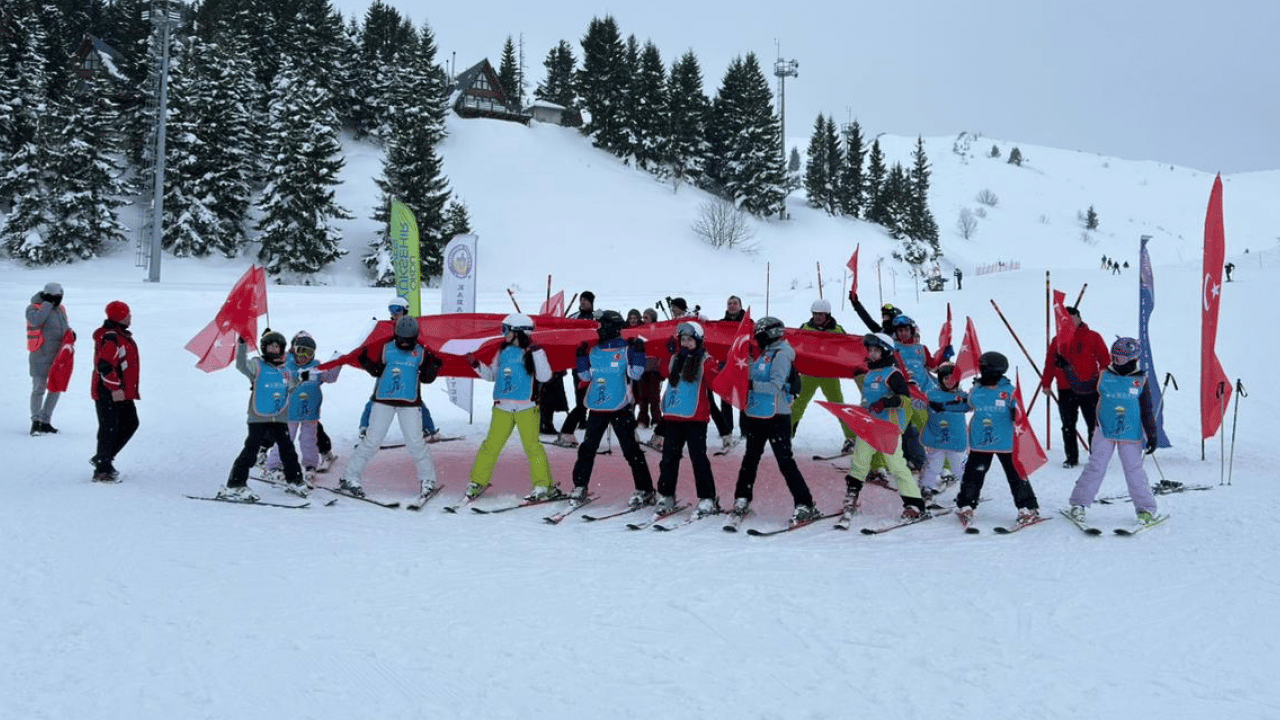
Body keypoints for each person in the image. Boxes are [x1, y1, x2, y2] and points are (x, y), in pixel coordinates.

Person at [339, 316, 443, 503]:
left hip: (410, 403)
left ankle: (428, 480)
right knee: (371, 441)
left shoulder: (420, 352)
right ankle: (349, 477)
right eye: (400, 338)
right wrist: (364, 361)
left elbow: (426, 379)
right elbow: (378, 371)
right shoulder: (387, 347)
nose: (403, 342)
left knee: (415, 443)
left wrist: (434, 366)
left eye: (407, 339)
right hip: (383, 401)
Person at [731, 317, 820, 525]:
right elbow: (752, 375)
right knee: (750, 459)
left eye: (759, 335)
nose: (757, 339)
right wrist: (745, 364)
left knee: (785, 461)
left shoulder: (781, 354)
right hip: (757, 415)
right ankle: (742, 497)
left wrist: (750, 384)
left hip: (777, 415)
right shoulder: (765, 354)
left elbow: (774, 386)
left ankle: (804, 503)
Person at [464, 313, 561, 500]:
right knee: (490, 446)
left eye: (506, 330)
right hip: (502, 408)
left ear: (518, 332)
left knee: (533, 448)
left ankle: (543, 485)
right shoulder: (502, 351)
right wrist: (476, 365)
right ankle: (477, 481)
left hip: (527, 407)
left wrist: (538, 353)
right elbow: (492, 375)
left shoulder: (533, 351)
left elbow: (545, 377)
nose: (503, 334)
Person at [1066, 337, 1161, 527]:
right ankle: (1079, 504)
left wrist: (1152, 434)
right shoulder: (1104, 375)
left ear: (1133, 359)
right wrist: (1068, 370)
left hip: (1131, 433)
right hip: (1104, 429)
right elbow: (1081, 387)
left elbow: (1146, 409)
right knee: (1096, 466)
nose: (1115, 362)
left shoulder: (1140, 380)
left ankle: (1145, 508)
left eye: (1119, 359)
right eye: (1113, 357)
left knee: (1134, 470)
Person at [567, 310, 656, 508]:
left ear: (612, 327)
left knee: (631, 450)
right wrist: (581, 357)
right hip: (598, 407)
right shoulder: (595, 351)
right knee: (587, 449)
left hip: (620, 407)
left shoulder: (626, 349)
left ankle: (646, 489)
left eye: (602, 326)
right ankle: (580, 486)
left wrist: (639, 353)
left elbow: (637, 373)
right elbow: (585, 377)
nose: (599, 330)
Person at [842, 333, 929, 520]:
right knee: (859, 460)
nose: (871, 354)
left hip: (887, 427)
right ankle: (852, 497)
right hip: (868, 425)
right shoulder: (871, 373)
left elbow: (905, 398)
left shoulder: (893, 373)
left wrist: (886, 402)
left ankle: (915, 504)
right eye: (870, 350)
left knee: (896, 465)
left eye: (875, 350)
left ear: (885, 351)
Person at [217, 331, 306, 502]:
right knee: (251, 450)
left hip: (279, 416)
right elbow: (241, 365)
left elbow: (288, 389)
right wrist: (242, 344)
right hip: (258, 417)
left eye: (277, 346)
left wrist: (300, 379)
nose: (274, 349)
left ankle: (294, 480)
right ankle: (235, 484)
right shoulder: (257, 366)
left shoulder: (286, 369)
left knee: (287, 449)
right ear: (264, 348)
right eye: (270, 346)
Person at [953, 352, 1041, 526]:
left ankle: (1028, 508)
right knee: (973, 474)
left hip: (1005, 442)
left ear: (993, 370)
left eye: (983, 367)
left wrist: (1016, 412)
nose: (981, 370)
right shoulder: (976, 389)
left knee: (1015, 475)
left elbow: (1020, 413)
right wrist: (944, 405)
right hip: (981, 442)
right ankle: (966, 505)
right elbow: (966, 404)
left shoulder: (1008, 391)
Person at [654, 321, 722, 519]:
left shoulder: (705, 360)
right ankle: (666, 494)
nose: (685, 343)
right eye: (682, 339)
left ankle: (707, 497)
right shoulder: (676, 358)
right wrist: (668, 353)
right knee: (669, 458)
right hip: (674, 415)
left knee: (698, 459)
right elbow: (663, 371)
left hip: (696, 418)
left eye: (689, 340)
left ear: (698, 341)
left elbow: (714, 382)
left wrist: (719, 367)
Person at [358, 297, 442, 442]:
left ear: (405, 310)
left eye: (397, 309)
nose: (394, 313)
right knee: (377, 397)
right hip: (389, 367)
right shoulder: (387, 327)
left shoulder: (414, 325)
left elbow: (424, 341)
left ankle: (428, 429)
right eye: (391, 309)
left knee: (414, 400)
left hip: (409, 367)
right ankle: (365, 429)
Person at [263, 332, 340, 485]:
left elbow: (330, 378)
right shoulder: (286, 365)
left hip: (309, 414)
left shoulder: (317, 367)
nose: (303, 355)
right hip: (289, 413)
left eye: (308, 352)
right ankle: (273, 466)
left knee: (308, 440)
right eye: (300, 351)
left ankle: (310, 465)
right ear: (294, 350)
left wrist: (338, 362)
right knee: (285, 441)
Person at [1042, 306, 1110, 468]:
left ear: (1079, 318)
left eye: (1072, 318)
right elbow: (1049, 364)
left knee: (1093, 424)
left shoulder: (1093, 337)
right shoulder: (1057, 340)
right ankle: (1071, 458)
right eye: (1066, 319)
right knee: (1068, 425)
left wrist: (1103, 380)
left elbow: (1105, 360)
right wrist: (1046, 383)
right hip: (1065, 388)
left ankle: (1097, 458)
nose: (1070, 322)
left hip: (1090, 388)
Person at [789, 298, 855, 450]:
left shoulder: (837, 330)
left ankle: (851, 438)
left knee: (839, 406)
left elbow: (848, 347)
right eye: (815, 314)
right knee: (798, 405)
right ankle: (786, 435)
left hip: (829, 375)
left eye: (821, 314)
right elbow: (794, 344)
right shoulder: (805, 327)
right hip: (809, 374)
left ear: (827, 315)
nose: (818, 317)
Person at [90, 301, 140, 483]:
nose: (130, 316)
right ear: (119, 317)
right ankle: (102, 469)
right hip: (109, 391)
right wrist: (115, 388)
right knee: (109, 429)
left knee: (130, 423)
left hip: (121, 391)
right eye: (127, 314)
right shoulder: (112, 337)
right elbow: (104, 366)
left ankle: (103, 458)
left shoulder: (120, 335)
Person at [552, 291, 598, 446]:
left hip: (597, 365)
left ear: (592, 302)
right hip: (578, 364)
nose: (583, 302)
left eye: (586, 300)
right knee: (581, 396)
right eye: (581, 300)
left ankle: (587, 421)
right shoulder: (574, 316)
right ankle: (579, 421)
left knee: (594, 396)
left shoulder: (598, 316)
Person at [26, 282, 72, 435]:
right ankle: (36, 422)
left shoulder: (60, 309)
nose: (59, 300)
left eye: (60, 297)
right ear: (48, 296)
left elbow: (64, 327)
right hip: (40, 356)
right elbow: (37, 321)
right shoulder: (33, 308)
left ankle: (46, 421)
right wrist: (47, 304)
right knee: (39, 389)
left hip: (58, 358)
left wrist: (70, 334)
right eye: (56, 297)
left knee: (56, 388)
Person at [921, 363, 967, 498]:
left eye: (952, 378)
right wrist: (923, 400)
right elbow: (917, 403)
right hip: (935, 438)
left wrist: (978, 390)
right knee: (933, 466)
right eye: (945, 378)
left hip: (956, 439)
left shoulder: (963, 396)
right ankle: (926, 488)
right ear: (940, 379)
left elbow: (975, 405)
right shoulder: (931, 394)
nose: (949, 381)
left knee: (959, 468)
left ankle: (968, 492)